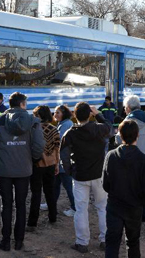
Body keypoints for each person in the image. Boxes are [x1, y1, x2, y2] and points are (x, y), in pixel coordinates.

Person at [0, 92, 45, 251]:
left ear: (9, 104)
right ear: (23, 104)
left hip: (3, 169)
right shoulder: (33, 121)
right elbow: (38, 146)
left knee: (6, 204)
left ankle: (5, 241)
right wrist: (34, 160)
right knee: (21, 204)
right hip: (24, 169)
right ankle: (19, 241)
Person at [61, 102, 111, 253]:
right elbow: (110, 127)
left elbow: (63, 155)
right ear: (89, 114)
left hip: (80, 175)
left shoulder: (70, 133)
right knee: (102, 207)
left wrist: (70, 170)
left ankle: (82, 242)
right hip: (99, 174)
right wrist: (98, 114)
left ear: (74, 115)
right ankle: (105, 239)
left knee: (81, 209)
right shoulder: (98, 129)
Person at [103, 120, 145, 258]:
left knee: (112, 242)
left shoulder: (111, 156)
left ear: (120, 134)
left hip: (114, 205)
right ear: (137, 135)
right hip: (134, 207)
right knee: (132, 242)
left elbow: (105, 184)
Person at [27, 105, 60, 231]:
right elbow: (57, 148)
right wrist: (56, 163)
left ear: (39, 116)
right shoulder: (54, 129)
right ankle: (53, 217)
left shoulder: (34, 129)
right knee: (50, 191)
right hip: (51, 164)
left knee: (36, 193)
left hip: (37, 165)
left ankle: (32, 223)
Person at [50, 105, 75, 217]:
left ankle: (75, 208)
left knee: (69, 186)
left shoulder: (66, 124)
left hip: (64, 162)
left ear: (64, 113)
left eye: (58, 112)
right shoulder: (63, 124)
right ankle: (51, 204)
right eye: (55, 112)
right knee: (55, 185)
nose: (55, 114)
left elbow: (59, 142)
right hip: (59, 162)